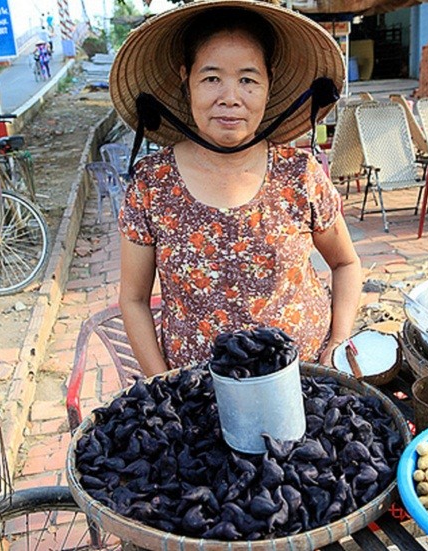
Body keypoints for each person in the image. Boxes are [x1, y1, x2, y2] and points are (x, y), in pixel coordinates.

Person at [111, 0, 362, 377]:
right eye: (212, 78)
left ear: (268, 83)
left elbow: (346, 264)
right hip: (198, 391)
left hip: (305, 380)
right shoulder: (152, 184)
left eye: (247, 79)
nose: (230, 97)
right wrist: (165, 383)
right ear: (186, 79)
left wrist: (337, 344)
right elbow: (133, 299)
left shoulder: (299, 174)